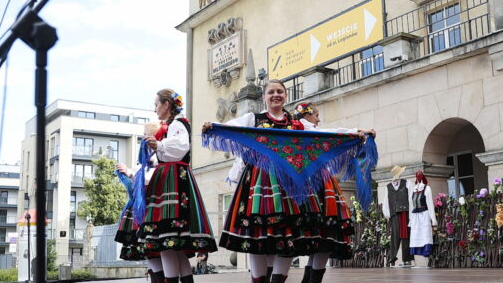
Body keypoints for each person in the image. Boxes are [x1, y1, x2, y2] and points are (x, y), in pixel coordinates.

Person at [203, 80, 361, 283]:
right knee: (257, 235)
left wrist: (354, 132)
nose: (275, 95)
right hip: (260, 183)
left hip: (288, 186)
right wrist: (213, 126)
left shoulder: (297, 123)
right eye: (271, 92)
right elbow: (233, 127)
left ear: (286, 96)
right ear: (264, 97)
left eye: (279, 91)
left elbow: (323, 134)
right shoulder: (254, 119)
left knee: (288, 235)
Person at [138, 89, 217, 283]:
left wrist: (159, 145)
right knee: (172, 242)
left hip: (173, 179)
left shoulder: (178, 123)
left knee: (166, 239)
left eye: (156, 104)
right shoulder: (173, 125)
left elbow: (182, 146)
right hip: (170, 178)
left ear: (166, 105)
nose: (155, 109)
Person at [291, 102, 375, 283]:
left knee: (320, 238)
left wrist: (355, 131)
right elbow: (330, 134)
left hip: (315, 184)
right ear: (307, 115)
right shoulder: (303, 128)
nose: (319, 119)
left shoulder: (303, 128)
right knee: (325, 236)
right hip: (315, 185)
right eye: (316, 115)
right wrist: (355, 131)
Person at [116, 122, 164, 283]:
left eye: (145, 134)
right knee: (148, 252)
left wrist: (129, 173)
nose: (143, 138)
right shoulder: (148, 161)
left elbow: (147, 179)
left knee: (152, 250)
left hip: (150, 209)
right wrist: (129, 173)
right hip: (145, 209)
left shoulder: (157, 159)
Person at [382, 165, 414, 267]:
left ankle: (407, 259)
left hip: (405, 213)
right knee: (395, 236)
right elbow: (385, 202)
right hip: (394, 214)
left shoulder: (407, 183)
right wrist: (388, 215)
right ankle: (392, 259)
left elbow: (411, 199)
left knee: (406, 236)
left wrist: (412, 213)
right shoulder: (388, 187)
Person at [408, 170, 436, 260]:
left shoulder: (427, 188)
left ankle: (426, 252)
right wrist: (410, 220)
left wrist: (433, 219)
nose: (418, 177)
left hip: (424, 214)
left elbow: (430, 204)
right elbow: (411, 206)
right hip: (415, 216)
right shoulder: (413, 189)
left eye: (420, 175)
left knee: (425, 234)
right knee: (416, 235)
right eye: (417, 176)